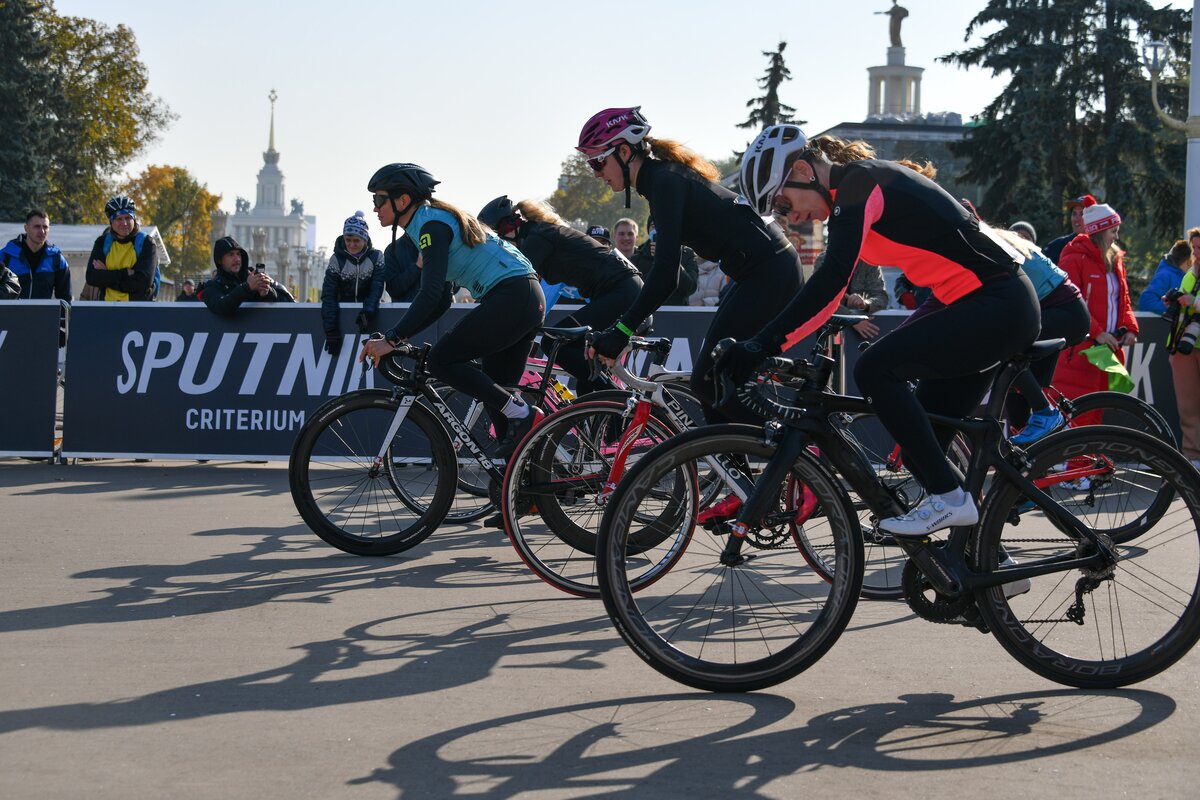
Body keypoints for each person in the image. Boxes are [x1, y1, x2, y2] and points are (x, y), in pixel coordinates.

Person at [718, 125, 1041, 537]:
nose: (791, 216)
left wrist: (762, 343)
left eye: (783, 201)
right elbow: (832, 293)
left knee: (874, 369)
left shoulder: (859, 183)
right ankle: (984, 561)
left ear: (803, 168)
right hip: (977, 305)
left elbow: (831, 279)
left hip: (997, 304)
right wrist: (771, 342)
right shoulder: (852, 194)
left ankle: (951, 498)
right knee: (921, 445)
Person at [579, 108, 802, 423]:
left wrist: (623, 329)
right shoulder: (660, 179)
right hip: (760, 269)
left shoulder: (664, 182)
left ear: (625, 152)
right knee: (712, 387)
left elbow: (666, 273)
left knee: (708, 382)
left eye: (598, 162)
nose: (596, 173)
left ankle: (791, 442)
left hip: (768, 270)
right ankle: (739, 467)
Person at [358, 163, 545, 459]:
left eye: (379, 200)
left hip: (512, 295)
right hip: (522, 296)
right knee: (499, 399)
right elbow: (443, 299)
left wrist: (392, 339)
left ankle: (525, 415)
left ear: (402, 200)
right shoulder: (430, 223)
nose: (375, 208)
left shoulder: (431, 224)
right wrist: (401, 337)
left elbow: (429, 293)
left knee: (442, 361)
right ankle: (530, 492)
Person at [477, 195, 643, 394]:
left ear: (507, 230)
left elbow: (520, 289)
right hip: (621, 289)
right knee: (586, 380)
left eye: (497, 239)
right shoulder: (538, 233)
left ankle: (617, 396)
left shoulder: (536, 238)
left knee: (553, 341)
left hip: (621, 290)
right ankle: (608, 410)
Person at [990, 228, 1090, 443]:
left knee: (1003, 346)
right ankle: (1027, 466)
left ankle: (1045, 413)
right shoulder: (984, 238)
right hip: (1050, 310)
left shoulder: (988, 246)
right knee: (1016, 397)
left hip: (1066, 313)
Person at [1052, 203, 1139, 420]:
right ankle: (1077, 455)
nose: (1116, 237)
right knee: (1075, 417)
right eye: (1113, 231)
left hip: (1106, 351)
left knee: (1095, 414)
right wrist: (1098, 332)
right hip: (1080, 351)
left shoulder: (1116, 260)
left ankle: (1089, 454)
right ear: (1099, 232)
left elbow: (1123, 300)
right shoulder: (1074, 257)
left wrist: (1130, 328)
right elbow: (1072, 303)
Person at [320, 211, 387, 355]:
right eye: (347, 240)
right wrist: (330, 330)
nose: (351, 245)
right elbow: (328, 295)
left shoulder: (377, 257)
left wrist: (368, 312)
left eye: (356, 241)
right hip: (342, 314)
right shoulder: (336, 259)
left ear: (365, 239)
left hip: (369, 315)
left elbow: (377, 287)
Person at [1168, 229, 1200, 469]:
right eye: (1195, 248)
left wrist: (1194, 302)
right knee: (1187, 406)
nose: (1197, 253)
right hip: (1184, 346)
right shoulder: (1190, 272)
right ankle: (1192, 457)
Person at [84, 196, 157, 302]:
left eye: (128, 218)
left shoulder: (147, 242)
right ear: (111, 222)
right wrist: (126, 273)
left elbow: (143, 283)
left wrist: (107, 274)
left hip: (138, 311)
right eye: (119, 219)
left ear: (134, 219)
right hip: (108, 310)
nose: (124, 223)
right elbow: (91, 277)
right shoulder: (102, 242)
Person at [200, 236, 295, 316]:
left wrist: (268, 292)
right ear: (220, 260)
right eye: (231, 255)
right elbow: (221, 307)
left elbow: (288, 300)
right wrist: (247, 287)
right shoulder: (213, 286)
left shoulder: (254, 276)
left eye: (238, 254)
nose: (237, 259)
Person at [814, 251, 888, 341]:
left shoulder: (869, 262)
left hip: (856, 334)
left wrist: (865, 304)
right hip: (826, 330)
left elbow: (881, 297)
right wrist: (852, 319)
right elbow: (822, 297)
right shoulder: (824, 260)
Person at [1, 209, 71, 302]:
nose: (42, 231)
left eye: (45, 227)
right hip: (12, 315)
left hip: (44, 315)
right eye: (37, 226)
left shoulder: (57, 259)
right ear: (26, 228)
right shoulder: (6, 256)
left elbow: (65, 300)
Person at [631, 216, 699, 306]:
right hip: (646, 313)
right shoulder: (637, 257)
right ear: (648, 229)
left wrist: (670, 257)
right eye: (653, 226)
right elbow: (636, 289)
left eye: (662, 226)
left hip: (676, 313)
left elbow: (690, 288)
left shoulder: (687, 254)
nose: (658, 230)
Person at [1139, 239, 1191, 314]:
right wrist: (1171, 308)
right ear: (1189, 261)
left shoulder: (1177, 275)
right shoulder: (1165, 275)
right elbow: (1146, 301)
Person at [1043, 194, 1096, 264]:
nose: (1076, 219)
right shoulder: (1056, 247)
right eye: (1074, 214)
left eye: (1082, 214)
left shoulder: (1103, 247)